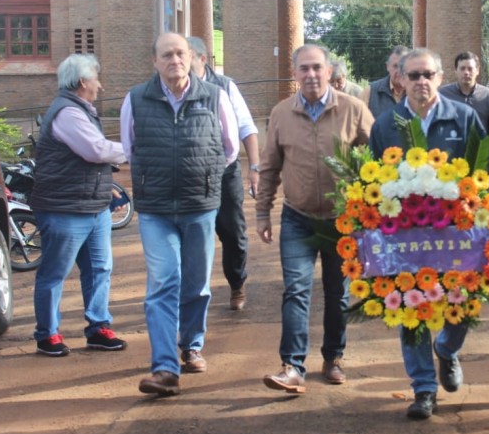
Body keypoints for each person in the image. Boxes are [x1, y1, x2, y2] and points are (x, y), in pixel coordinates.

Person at [369, 48, 486, 420]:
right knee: (411, 307)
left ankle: (447, 350)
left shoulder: (464, 118)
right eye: (413, 75)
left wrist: (483, 221)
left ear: (440, 78)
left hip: (456, 235)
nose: (421, 82)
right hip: (405, 237)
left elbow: (483, 173)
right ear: (400, 79)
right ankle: (423, 389)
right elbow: (372, 181)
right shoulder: (385, 126)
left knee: (461, 306)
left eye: (428, 74)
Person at [121, 32, 240, 396]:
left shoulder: (215, 96)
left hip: (199, 206)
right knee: (162, 282)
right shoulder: (135, 99)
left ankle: (191, 344)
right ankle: (164, 366)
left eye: (180, 54)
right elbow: (129, 147)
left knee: (196, 284)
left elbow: (230, 148)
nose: (174, 60)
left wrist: (205, 177)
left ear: (191, 58)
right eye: (166, 55)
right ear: (154, 61)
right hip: (155, 209)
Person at [257, 44, 374, 394]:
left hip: (343, 221)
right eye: (304, 68)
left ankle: (333, 357)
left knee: (338, 293)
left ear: (329, 71)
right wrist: (263, 212)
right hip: (298, 217)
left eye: (317, 68)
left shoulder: (354, 109)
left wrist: (373, 213)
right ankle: (292, 366)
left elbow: (379, 158)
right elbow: (269, 167)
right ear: (294, 74)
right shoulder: (281, 113)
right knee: (296, 289)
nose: (311, 74)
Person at [31, 54, 128, 357]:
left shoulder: (80, 110)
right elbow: (95, 150)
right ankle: (48, 334)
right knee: (55, 273)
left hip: (92, 207)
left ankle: (98, 327)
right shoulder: (68, 113)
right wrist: (134, 149)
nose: (100, 85)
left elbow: (89, 161)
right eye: (96, 79)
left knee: (100, 269)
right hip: (65, 209)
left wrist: (106, 189)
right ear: (83, 81)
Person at [187, 36, 260, 311]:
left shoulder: (225, 86)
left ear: (202, 59)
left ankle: (237, 283)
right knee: (193, 234)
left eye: (186, 57)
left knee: (233, 232)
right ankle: (193, 293)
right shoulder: (172, 87)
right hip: (191, 175)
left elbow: (246, 128)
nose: (179, 63)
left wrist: (254, 168)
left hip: (225, 172)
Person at [439, 51, 489, 166]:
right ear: (456, 70)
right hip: (450, 161)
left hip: (479, 160)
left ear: (477, 70)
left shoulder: (487, 96)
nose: (466, 72)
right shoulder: (443, 95)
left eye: (470, 69)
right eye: (462, 68)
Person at [360, 45, 408, 118]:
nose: (399, 71)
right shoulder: (370, 92)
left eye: (403, 66)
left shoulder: (418, 91)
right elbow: (356, 119)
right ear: (387, 66)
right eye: (395, 66)